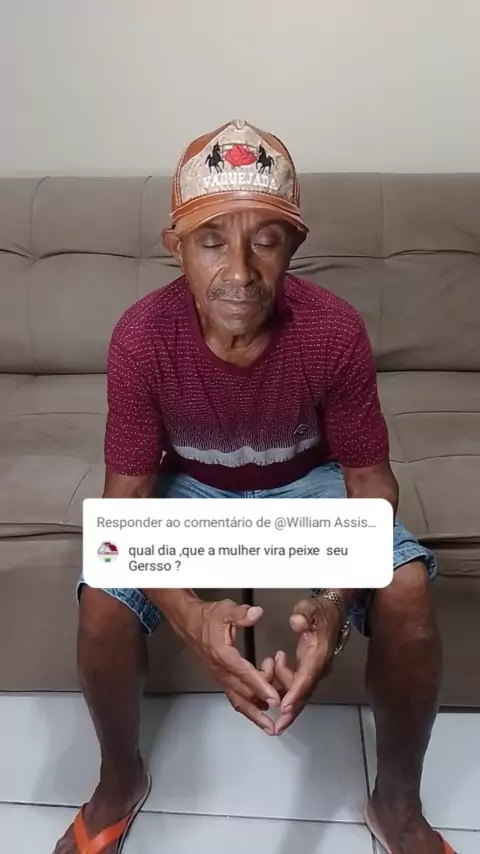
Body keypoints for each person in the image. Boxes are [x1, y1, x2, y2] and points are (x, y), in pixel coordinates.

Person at [56, 120, 452, 854]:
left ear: (294, 245)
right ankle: (119, 778)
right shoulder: (141, 337)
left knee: (407, 587)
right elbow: (125, 508)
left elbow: (370, 485)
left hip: (306, 485)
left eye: (265, 240)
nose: (238, 271)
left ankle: (397, 803)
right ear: (175, 246)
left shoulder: (333, 331)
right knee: (103, 597)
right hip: (191, 489)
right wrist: (189, 615)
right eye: (211, 241)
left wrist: (337, 600)